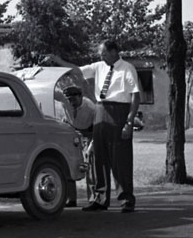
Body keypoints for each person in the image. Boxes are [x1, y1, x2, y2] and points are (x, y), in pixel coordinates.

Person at [50, 40, 141, 213]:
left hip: (119, 111)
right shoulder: (99, 67)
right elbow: (76, 70)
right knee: (99, 157)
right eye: (100, 55)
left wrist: (129, 122)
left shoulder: (127, 69)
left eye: (104, 54)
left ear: (114, 52)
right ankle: (100, 199)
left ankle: (126, 199)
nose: (102, 57)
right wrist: (59, 61)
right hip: (101, 110)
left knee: (120, 159)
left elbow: (136, 96)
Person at [61, 85, 96, 207]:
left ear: (80, 96)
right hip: (73, 134)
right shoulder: (65, 105)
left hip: (90, 134)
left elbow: (96, 129)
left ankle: (93, 199)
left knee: (90, 167)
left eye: (74, 99)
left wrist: (90, 147)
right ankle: (71, 198)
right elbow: (65, 120)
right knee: (69, 165)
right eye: (69, 100)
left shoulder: (90, 108)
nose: (71, 102)